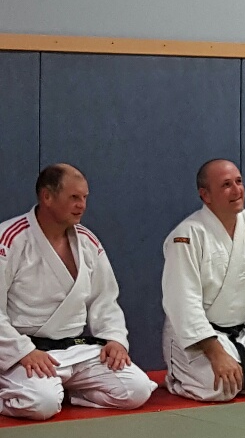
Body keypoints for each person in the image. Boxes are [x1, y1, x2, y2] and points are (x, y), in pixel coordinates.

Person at [0, 165, 156, 420]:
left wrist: (114, 339)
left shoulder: (87, 241)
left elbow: (105, 299)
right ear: (47, 196)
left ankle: (69, 393)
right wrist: (22, 351)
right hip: (26, 351)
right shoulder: (10, 239)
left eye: (84, 197)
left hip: (75, 351)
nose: (81, 205)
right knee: (42, 404)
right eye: (74, 197)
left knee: (136, 390)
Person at [161, 159, 245, 402]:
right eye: (226, 185)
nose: (237, 190)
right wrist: (216, 354)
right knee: (221, 389)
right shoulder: (187, 235)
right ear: (205, 195)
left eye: (239, 182)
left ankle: (237, 371)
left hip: (239, 334)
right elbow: (182, 301)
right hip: (196, 339)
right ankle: (178, 379)